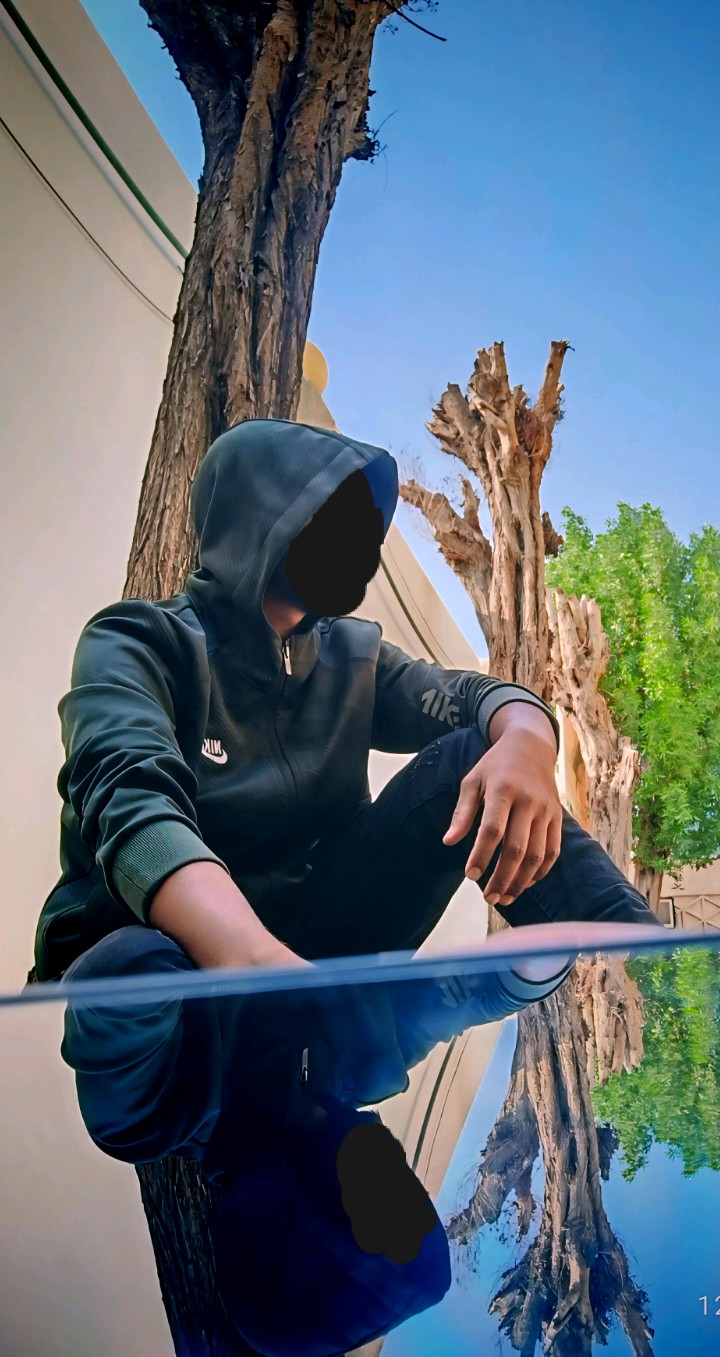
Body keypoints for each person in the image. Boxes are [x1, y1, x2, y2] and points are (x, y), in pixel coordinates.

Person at [35, 418, 664, 1355]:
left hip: (297, 947)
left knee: (474, 752)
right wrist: (529, 967)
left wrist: (529, 739)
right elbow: (127, 794)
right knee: (141, 955)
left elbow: (471, 699)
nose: (364, 544)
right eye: (333, 514)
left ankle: (650, 960)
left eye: (384, 1201)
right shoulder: (139, 642)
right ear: (260, 520)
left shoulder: (351, 655)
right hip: (211, 942)